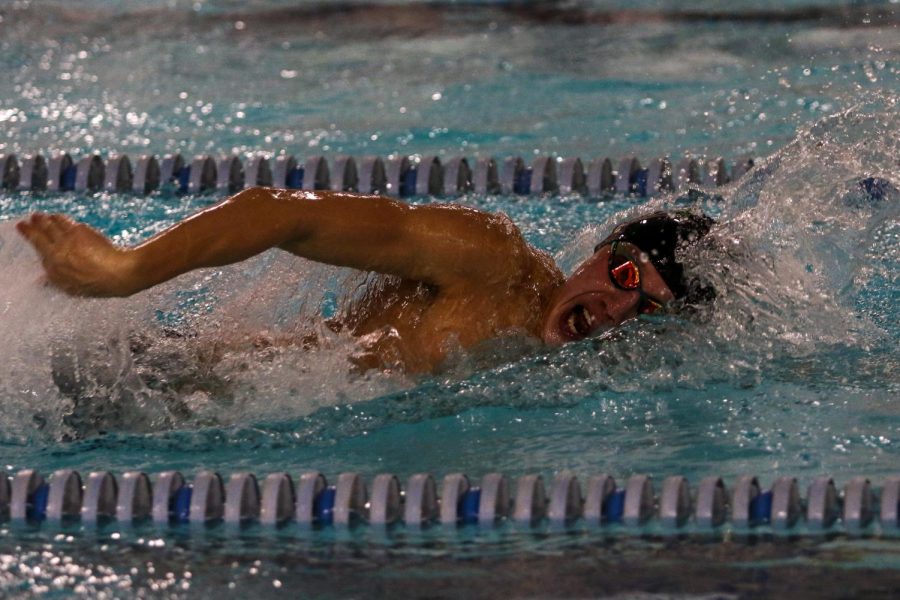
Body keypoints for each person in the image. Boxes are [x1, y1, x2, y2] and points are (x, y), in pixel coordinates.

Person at [16, 187, 714, 373]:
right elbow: (277, 213)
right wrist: (125, 272)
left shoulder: (582, 381)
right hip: (164, 383)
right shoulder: (492, 262)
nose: (619, 308)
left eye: (646, 308)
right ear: (600, 251)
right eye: (624, 273)